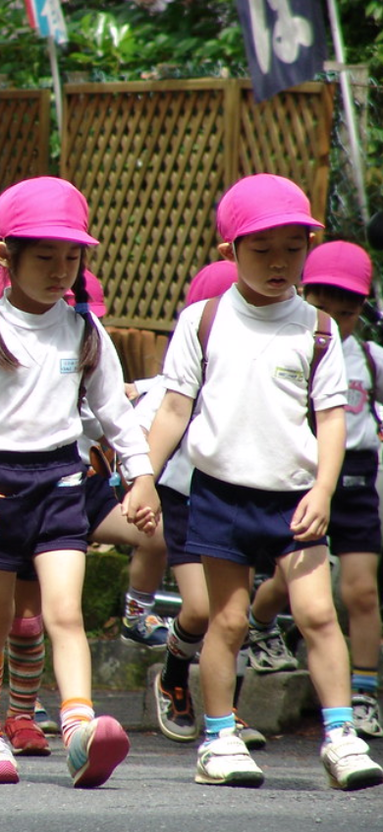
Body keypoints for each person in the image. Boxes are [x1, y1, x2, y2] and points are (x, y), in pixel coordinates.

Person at [144, 174, 383, 791]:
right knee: (226, 621)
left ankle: (340, 736)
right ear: (229, 253)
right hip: (219, 495)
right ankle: (218, 738)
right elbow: (174, 408)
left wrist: (324, 490)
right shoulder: (201, 321)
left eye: (293, 247)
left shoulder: (319, 329)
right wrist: (141, 477)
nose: (279, 262)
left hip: (295, 499)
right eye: (261, 249)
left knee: (317, 615)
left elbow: (331, 419)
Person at [0, 176, 159, 786]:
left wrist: (140, 477)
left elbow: (115, 411)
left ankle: (79, 730)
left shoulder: (85, 329)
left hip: (62, 482)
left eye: (72, 256)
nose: (61, 269)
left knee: (66, 614)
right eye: (45, 256)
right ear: (5, 256)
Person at [241, 240, 382, 738]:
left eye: (348, 312)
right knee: (291, 582)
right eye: (326, 308)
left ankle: (363, 691)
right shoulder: (293, 344)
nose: (337, 320)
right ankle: (259, 623)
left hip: (357, 482)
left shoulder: (367, 356)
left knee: (361, 590)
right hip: (302, 479)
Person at [137, 260, 263, 748]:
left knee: (234, 610)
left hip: (241, 496)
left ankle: (224, 708)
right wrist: (141, 482)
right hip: (185, 493)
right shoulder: (184, 371)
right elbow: (158, 420)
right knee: (200, 607)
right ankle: (173, 674)